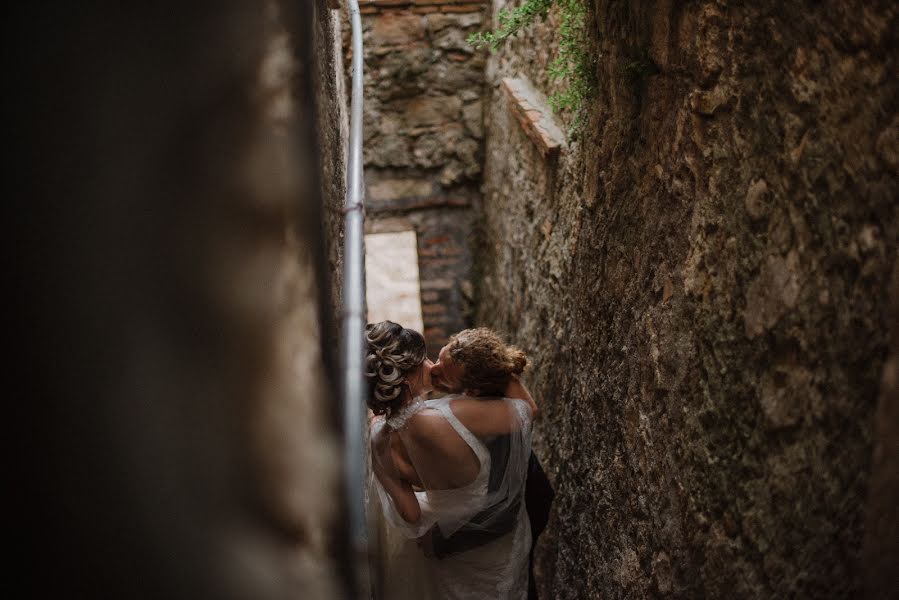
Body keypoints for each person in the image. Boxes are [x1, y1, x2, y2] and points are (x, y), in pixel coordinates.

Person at [365, 321, 536, 599]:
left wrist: (442, 505)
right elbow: (526, 410)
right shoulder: (455, 414)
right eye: (424, 360)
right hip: (492, 546)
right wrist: (494, 363)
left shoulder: (377, 439)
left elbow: (411, 515)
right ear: (406, 379)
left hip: (446, 550)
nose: (432, 365)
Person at [426, 328, 555, 600]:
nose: (434, 370)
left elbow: (496, 514)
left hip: (519, 503)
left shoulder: (489, 421)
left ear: (472, 391)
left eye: (445, 374)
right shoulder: (480, 397)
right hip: (510, 497)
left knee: (514, 573)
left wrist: (442, 543)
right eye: (439, 358)